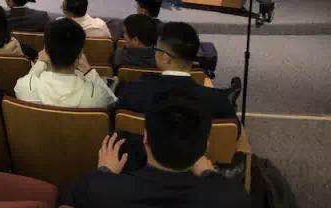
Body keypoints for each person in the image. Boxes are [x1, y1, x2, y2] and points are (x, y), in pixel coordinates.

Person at [60, 97, 252, 208]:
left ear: (145, 139)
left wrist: (104, 173)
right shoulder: (233, 196)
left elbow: (67, 199)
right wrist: (209, 174)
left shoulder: (98, 189)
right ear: (205, 147)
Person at [116, 22, 236, 120]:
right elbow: (233, 133)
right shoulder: (219, 102)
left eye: (156, 49)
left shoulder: (133, 92)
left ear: (166, 58)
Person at [14, 18, 116, 108]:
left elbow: (30, 78)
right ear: (81, 54)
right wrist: (89, 71)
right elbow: (111, 99)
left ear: (46, 52)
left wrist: (41, 62)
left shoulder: (24, 87)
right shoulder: (96, 97)